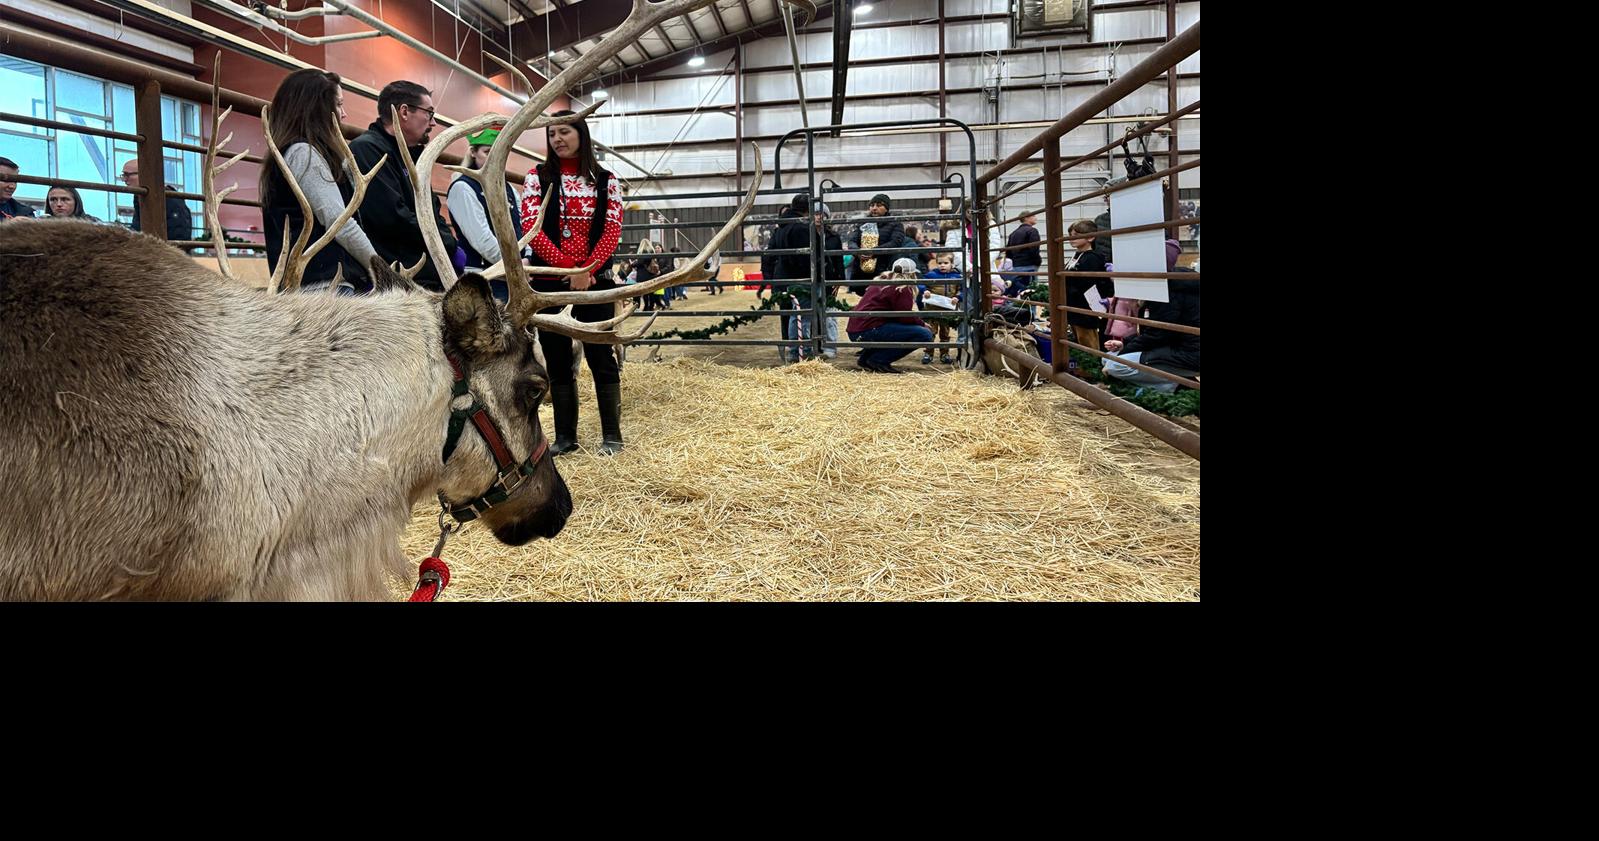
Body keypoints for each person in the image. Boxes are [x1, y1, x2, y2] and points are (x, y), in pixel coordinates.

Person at [519, 109, 626, 455]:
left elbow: (612, 230)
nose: (558, 140)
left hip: (595, 283)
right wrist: (570, 270)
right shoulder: (536, 178)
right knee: (558, 359)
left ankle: (612, 435)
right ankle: (566, 438)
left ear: (581, 134)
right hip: (552, 283)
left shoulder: (607, 180)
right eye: (552, 134)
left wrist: (589, 269)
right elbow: (532, 230)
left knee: (601, 357)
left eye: (564, 132)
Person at [260, 68, 383, 295]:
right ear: (318, 109)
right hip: (325, 290)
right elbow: (340, 222)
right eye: (338, 104)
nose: (343, 114)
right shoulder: (303, 154)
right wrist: (382, 271)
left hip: (315, 287)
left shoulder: (299, 153)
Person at [349, 79, 457, 292]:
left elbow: (433, 210)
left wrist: (448, 242)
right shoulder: (367, 150)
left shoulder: (413, 156)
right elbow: (391, 216)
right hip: (397, 283)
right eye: (429, 113)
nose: (433, 123)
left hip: (427, 275)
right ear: (405, 112)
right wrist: (444, 243)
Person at [1103, 240, 1198, 393]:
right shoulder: (1170, 284)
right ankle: (1170, 384)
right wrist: (1125, 344)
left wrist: (1126, 349)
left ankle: (1180, 386)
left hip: (1188, 354)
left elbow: (1159, 334)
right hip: (1177, 347)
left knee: (1115, 365)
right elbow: (1157, 332)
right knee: (1108, 357)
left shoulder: (1167, 291)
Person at [446, 122, 524, 302]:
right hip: (483, 277)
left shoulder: (510, 189)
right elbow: (481, 239)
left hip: (514, 274)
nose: (495, 157)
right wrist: (515, 265)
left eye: (501, 152)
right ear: (473, 152)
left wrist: (526, 258)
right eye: (488, 152)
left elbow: (522, 227)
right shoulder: (463, 187)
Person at [847, 260, 931, 374]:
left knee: (891, 330)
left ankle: (866, 360)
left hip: (857, 329)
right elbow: (904, 315)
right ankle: (879, 360)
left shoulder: (882, 281)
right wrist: (922, 324)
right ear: (912, 274)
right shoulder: (901, 288)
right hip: (868, 329)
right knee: (924, 334)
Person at [762, 193, 815, 363]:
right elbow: (803, 257)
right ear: (808, 208)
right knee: (800, 315)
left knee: (789, 315)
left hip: (782, 277)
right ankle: (799, 352)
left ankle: (793, 349)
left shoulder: (781, 228)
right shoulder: (800, 227)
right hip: (797, 278)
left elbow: (769, 255)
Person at [1063, 219, 1115, 364]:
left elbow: (1090, 284)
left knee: (1088, 341)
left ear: (1090, 237)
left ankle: (1092, 372)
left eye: (1076, 235)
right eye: (1071, 235)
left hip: (1085, 306)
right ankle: (1084, 370)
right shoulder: (1076, 256)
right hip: (1074, 305)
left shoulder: (1092, 258)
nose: (1071, 239)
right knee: (1079, 339)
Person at [122, 160, 193, 245]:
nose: (124, 180)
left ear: (144, 173)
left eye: (127, 175)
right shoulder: (140, 197)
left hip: (164, 253)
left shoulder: (170, 199)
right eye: (123, 175)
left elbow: (180, 234)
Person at [848, 192, 906, 279]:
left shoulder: (895, 224)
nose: (874, 208)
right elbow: (852, 241)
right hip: (861, 270)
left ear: (886, 209)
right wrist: (858, 252)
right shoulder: (862, 223)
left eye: (879, 205)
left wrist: (873, 252)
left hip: (883, 270)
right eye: (872, 205)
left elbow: (895, 242)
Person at [919, 253, 962, 365]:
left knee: (945, 334)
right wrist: (925, 291)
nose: (942, 265)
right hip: (932, 310)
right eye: (940, 263)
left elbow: (961, 290)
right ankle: (928, 353)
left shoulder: (957, 277)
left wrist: (957, 297)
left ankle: (944, 354)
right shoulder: (931, 275)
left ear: (952, 264)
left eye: (946, 263)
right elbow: (921, 284)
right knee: (931, 332)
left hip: (947, 311)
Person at [1003, 212, 1041, 298]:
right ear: (1026, 218)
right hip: (1029, 266)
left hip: (1016, 267)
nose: (1036, 217)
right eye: (1033, 215)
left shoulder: (1013, 234)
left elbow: (1008, 252)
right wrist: (1037, 262)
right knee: (1031, 293)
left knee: (1017, 292)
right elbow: (1034, 249)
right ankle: (1030, 311)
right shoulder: (1032, 231)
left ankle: (1019, 311)